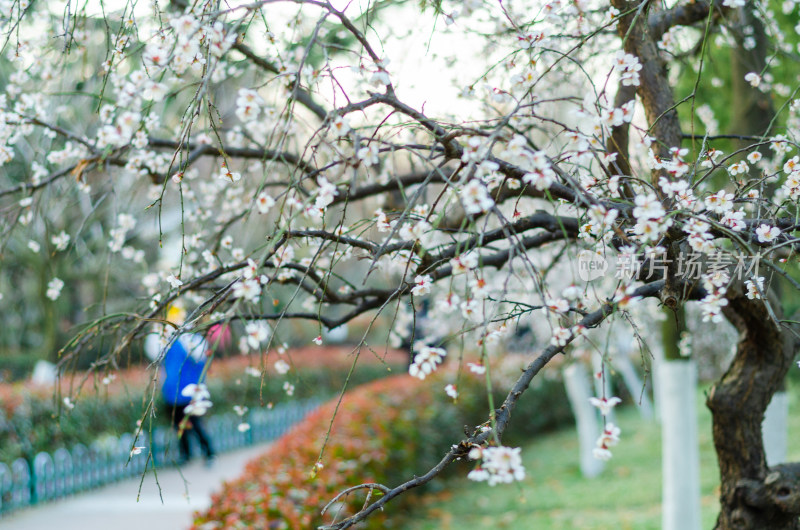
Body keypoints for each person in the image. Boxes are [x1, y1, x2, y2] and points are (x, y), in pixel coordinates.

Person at [145, 305, 216, 466]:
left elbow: (200, 356)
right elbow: (153, 352)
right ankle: (186, 454)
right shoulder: (168, 343)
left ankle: (209, 453)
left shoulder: (192, 341)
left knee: (196, 424)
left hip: (191, 392)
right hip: (171, 391)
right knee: (179, 426)